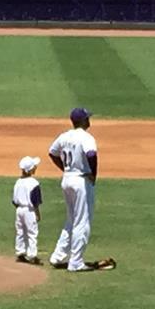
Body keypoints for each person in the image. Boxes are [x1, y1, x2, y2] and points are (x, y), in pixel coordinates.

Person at [48, 107, 99, 272]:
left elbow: (52, 152)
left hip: (68, 179)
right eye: (87, 118)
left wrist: (65, 169)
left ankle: (58, 255)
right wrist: (93, 175)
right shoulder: (86, 137)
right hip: (81, 181)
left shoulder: (65, 136)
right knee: (82, 222)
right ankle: (76, 261)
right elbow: (91, 155)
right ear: (83, 121)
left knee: (71, 220)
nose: (89, 120)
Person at [13, 156, 42, 265]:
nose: (36, 167)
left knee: (20, 232)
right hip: (29, 210)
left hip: (19, 209)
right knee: (32, 233)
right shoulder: (34, 183)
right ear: (30, 169)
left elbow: (14, 200)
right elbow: (35, 201)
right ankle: (32, 256)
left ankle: (20, 253)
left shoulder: (18, 182)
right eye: (34, 166)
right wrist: (37, 213)